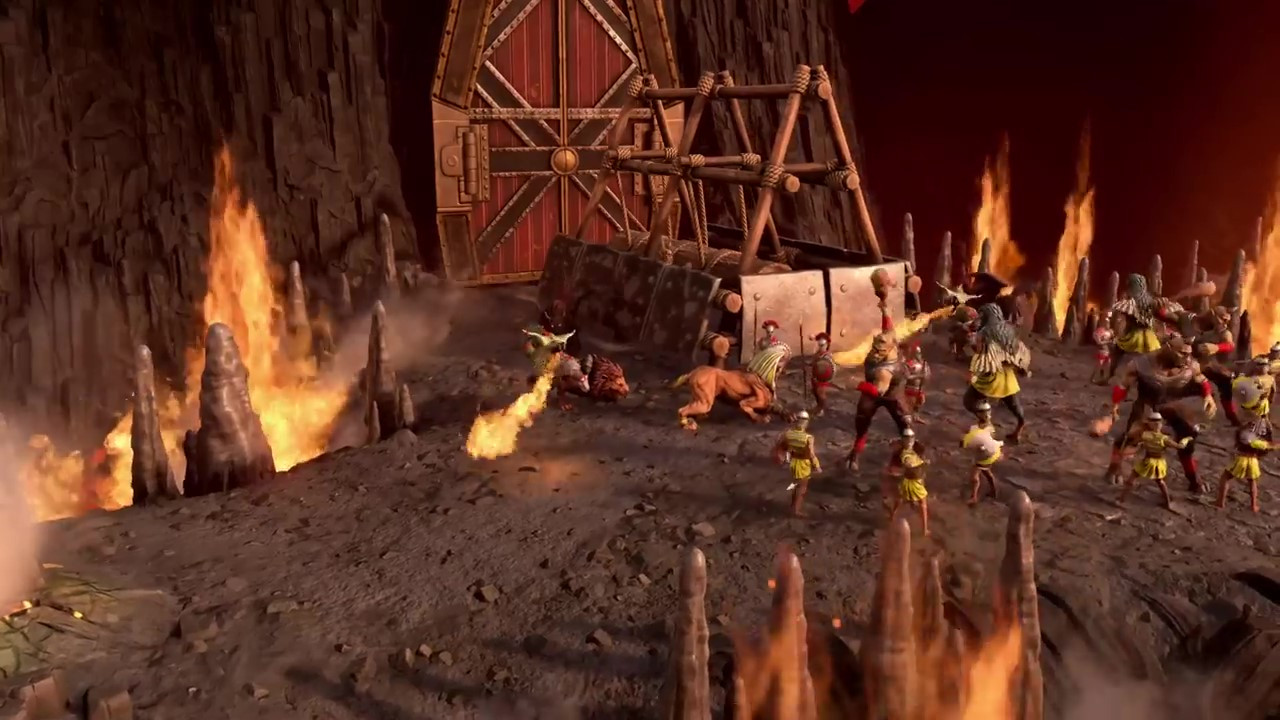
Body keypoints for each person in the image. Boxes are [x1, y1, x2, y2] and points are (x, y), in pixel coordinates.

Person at [1103, 337, 1215, 492]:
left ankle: (1193, 478)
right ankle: (1114, 468)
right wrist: (1115, 406)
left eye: (1189, 354)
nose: (1187, 358)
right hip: (1148, 404)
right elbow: (1123, 385)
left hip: (1173, 405)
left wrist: (1208, 395)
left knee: (1188, 439)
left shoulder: (1191, 365)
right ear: (1168, 349)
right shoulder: (1141, 364)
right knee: (1130, 438)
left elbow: (1201, 379)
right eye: (1182, 353)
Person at [845, 301, 912, 472]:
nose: (875, 352)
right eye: (875, 348)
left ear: (890, 347)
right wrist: (884, 310)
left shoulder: (884, 372)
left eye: (880, 349)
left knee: (905, 423)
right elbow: (888, 328)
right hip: (872, 391)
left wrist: (857, 384)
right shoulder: (889, 338)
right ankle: (856, 451)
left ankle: (908, 454)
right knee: (862, 419)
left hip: (890, 393)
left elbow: (878, 391)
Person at [964, 304, 1032, 444]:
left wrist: (971, 341)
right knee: (1013, 405)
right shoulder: (1008, 329)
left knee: (970, 401)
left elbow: (981, 353)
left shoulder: (985, 332)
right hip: (1007, 377)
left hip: (990, 374)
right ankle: (1020, 427)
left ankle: (985, 422)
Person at [1108, 274, 1185, 377]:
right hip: (1148, 338)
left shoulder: (1131, 303)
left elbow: (1122, 319)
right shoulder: (1149, 301)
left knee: (1118, 353)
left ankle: (1111, 374)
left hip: (1135, 338)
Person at [1117, 410, 1191, 510]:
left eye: (1158, 422)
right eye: (1155, 422)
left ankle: (1167, 502)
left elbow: (1137, 445)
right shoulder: (1154, 437)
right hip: (1150, 461)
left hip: (1154, 462)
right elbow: (1137, 444)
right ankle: (1122, 499)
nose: (1157, 424)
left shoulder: (1157, 437)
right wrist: (1186, 439)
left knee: (1157, 482)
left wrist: (1187, 439)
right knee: (1137, 479)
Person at [1191, 306, 1240, 425]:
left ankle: (1231, 415)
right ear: (1214, 316)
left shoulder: (1225, 333)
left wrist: (1217, 347)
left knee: (1226, 383)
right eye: (1222, 319)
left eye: (1227, 320)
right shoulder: (1207, 333)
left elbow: (1230, 345)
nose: (1225, 323)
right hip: (1198, 365)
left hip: (1212, 366)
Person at [1216, 418, 1272, 513]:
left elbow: (1238, 438)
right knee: (1252, 481)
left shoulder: (1246, 427)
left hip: (1241, 458)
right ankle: (1253, 505)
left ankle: (1220, 502)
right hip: (1253, 460)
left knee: (1225, 477)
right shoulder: (1264, 429)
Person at [774, 411, 821, 516]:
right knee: (802, 488)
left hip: (793, 462)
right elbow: (811, 454)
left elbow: (783, 447)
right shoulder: (808, 438)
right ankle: (795, 510)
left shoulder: (788, 434)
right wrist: (817, 466)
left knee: (797, 485)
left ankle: (793, 507)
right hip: (804, 465)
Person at [888, 428, 930, 536]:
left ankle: (892, 516)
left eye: (910, 438)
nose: (909, 440)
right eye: (907, 438)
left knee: (899, 500)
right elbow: (907, 464)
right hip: (911, 482)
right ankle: (924, 530)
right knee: (922, 505)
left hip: (913, 480)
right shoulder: (902, 454)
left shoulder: (916, 448)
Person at [961, 400, 1003, 505]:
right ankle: (994, 490)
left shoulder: (988, 428)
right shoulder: (983, 425)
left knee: (974, 477)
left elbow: (988, 441)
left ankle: (974, 497)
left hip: (984, 455)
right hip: (986, 454)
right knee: (987, 472)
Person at [810, 332, 835, 416]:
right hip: (815, 376)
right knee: (815, 391)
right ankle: (818, 406)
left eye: (822, 345)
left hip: (822, 377)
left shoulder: (827, 355)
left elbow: (828, 367)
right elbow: (814, 363)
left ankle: (821, 409)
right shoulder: (817, 354)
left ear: (826, 345)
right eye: (820, 345)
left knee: (820, 392)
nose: (821, 347)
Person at [902, 341, 931, 416]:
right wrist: (919, 376)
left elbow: (927, 373)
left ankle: (915, 416)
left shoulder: (924, 363)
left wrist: (926, 374)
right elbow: (907, 376)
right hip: (910, 388)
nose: (919, 355)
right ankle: (908, 418)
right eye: (917, 353)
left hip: (920, 388)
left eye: (919, 353)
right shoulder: (908, 364)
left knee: (920, 402)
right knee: (910, 405)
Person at [1092, 311, 1116, 385]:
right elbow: (1098, 342)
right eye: (1106, 322)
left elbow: (1114, 340)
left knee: (1107, 366)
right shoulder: (1099, 331)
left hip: (1108, 351)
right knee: (1099, 365)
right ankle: (1094, 378)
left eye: (1108, 322)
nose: (1108, 324)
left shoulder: (1110, 331)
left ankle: (1104, 379)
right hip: (1102, 351)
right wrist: (1108, 341)